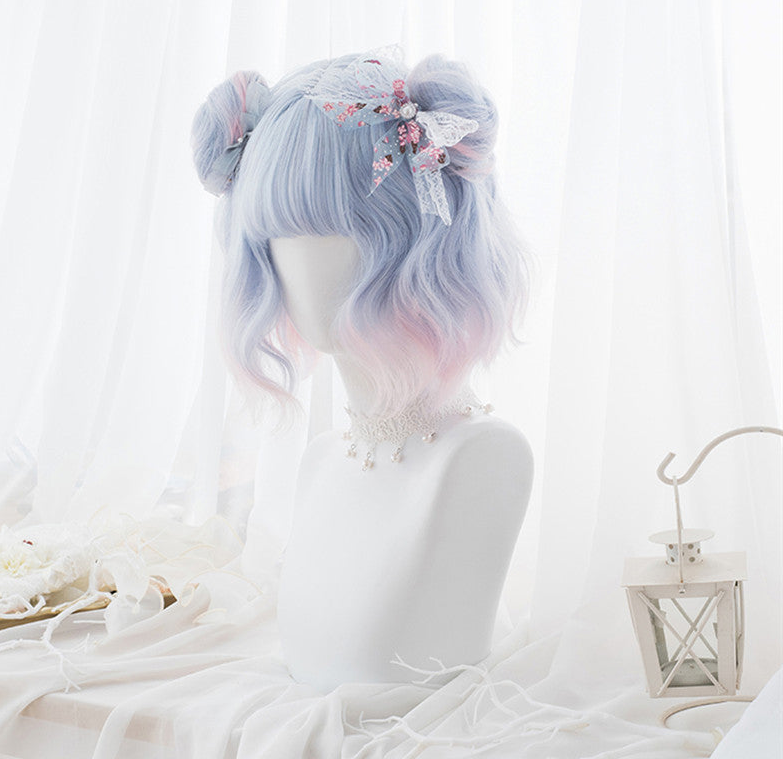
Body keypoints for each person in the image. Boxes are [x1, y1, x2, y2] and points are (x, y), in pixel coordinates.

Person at [192, 47, 533, 692]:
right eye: (281, 235)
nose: (304, 265)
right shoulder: (323, 460)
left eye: (345, 228)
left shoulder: (482, 459)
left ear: (420, 237)